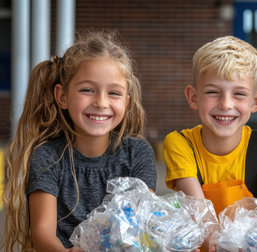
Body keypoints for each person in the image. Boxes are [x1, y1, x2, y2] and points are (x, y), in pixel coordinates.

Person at [1, 31, 157, 251]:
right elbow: (42, 232)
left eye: (114, 93)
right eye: (87, 90)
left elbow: (141, 222)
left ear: (127, 101)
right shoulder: (47, 156)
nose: (101, 102)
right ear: (62, 97)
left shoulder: (137, 153)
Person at [164, 35, 257, 216]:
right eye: (213, 92)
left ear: (256, 101)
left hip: (253, 245)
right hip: (204, 244)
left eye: (239, 94)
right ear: (193, 97)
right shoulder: (180, 143)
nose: (226, 104)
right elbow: (202, 216)